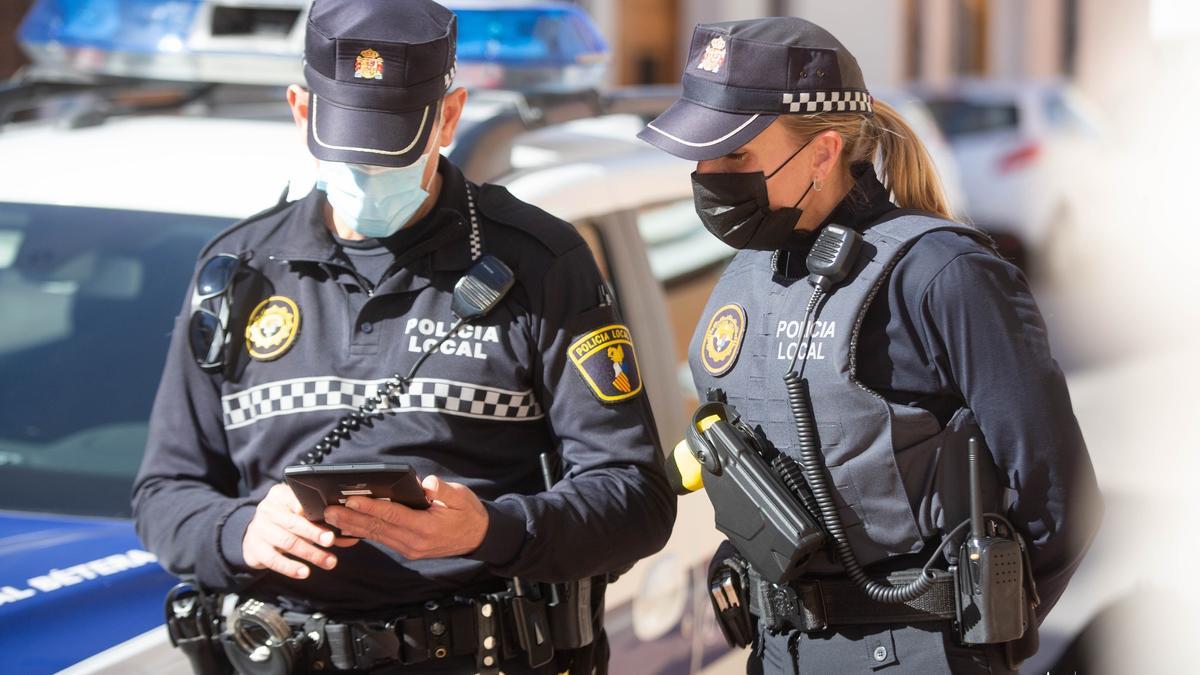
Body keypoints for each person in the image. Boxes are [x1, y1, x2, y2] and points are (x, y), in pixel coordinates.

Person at [132, 1, 675, 673]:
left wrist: (490, 528)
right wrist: (240, 530)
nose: (365, 169)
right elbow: (164, 492)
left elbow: (636, 498)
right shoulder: (236, 270)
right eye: (347, 141)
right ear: (301, 110)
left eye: (390, 145)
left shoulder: (540, 262)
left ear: (448, 116)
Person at [637, 17, 1101, 674]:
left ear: (824, 153)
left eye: (735, 153)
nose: (707, 173)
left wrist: (979, 633)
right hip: (781, 655)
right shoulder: (744, 279)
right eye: (701, 154)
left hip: (919, 652)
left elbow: (1060, 497)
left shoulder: (941, 272)